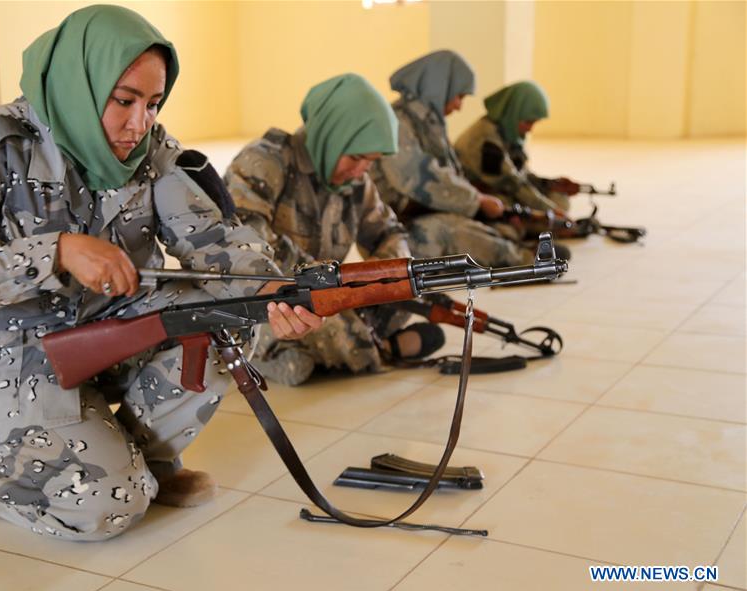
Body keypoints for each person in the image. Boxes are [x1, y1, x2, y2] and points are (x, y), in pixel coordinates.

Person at [0, 5, 321, 541]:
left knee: (230, 314)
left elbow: (215, 240)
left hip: (107, 329)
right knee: (107, 510)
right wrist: (56, 252)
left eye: (153, 103)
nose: (139, 123)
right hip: (7, 358)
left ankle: (141, 462)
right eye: (125, 100)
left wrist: (275, 290)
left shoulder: (151, 149)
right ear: (81, 79)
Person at [225, 73, 445, 387]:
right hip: (268, 296)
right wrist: (333, 288)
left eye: (370, 162)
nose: (360, 171)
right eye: (355, 157)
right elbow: (246, 245)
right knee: (297, 365)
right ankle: (377, 347)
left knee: (412, 289)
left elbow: (389, 232)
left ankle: (360, 342)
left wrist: (383, 278)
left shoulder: (356, 182)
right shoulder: (264, 161)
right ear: (330, 135)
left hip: (326, 296)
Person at [370, 50, 534, 267]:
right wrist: (476, 200)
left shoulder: (429, 123)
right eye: (459, 96)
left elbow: (451, 174)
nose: (459, 106)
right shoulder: (398, 123)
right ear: (439, 88)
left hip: (425, 213)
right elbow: (419, 178)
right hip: (393, 230)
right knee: (451, 231)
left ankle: (511, 247)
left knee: (496, 222)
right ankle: (520, 259)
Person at [454, 80, 580, 214]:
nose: (530, 129)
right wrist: (552, 211)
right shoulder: (486, 140)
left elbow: (521, 174)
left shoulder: (504, 130)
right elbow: (513, 183)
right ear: (514, 113)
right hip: (480, 195)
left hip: (501, 187)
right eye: (528, 122)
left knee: (558, 198)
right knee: (517, 213)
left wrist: (550, 184)